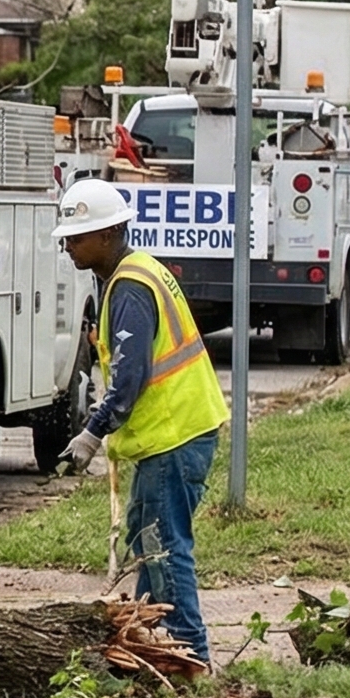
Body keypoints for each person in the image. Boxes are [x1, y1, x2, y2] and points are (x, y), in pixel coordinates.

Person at [52, 177, 230, 664]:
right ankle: (154, 647)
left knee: (164, 547)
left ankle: (189, 654)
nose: (68, 246)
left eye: (77, 237)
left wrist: (91, 433)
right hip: (176, 432)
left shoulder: (131, 287)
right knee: (147, 540)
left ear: (108, 234)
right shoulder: (133, 273)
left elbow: (130, 379)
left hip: (173, 434)